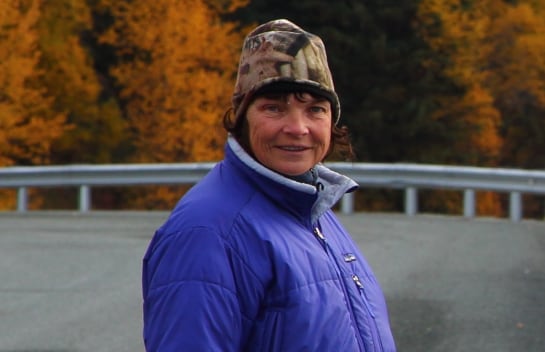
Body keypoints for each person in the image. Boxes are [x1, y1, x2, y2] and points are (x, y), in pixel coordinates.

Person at [142, 19, 396, 351]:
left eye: (315, 110)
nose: (298, 128)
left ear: (332, 124)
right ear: (241, 119)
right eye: (274, 108)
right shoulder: (207, 232)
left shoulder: (310, 209)